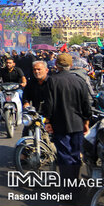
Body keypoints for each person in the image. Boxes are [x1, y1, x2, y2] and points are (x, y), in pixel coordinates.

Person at [44, 53, 91, 198]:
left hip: (60, 125)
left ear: (56, 66)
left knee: (65, 157)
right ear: (70, 65)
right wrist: (86, 122)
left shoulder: (52, 81)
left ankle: (68, 190)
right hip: (77, 124)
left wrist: (48, 121)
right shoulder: (80, 81)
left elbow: (49, 105)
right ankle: (74, 186)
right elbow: (86, 105)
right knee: (75, 156)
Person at [21, 61, 50, 137]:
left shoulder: (52, 82)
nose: (36, 72)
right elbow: (26, 95)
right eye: (34, 69)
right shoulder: (31, 83)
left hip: (50, 115)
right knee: (26, 133)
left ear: (46, 70)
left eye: (39, 69)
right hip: (36, 113)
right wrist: (26, 103)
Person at [0, 56, 26, 121]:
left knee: (21, 95)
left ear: (13, 64)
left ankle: (23, 112)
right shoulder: (2, 70)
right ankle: (1, 114)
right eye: (7, 63)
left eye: (10, 63)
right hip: (5, 89)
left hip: (16, 89)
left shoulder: (18, 70)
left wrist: (24, 82)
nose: (8, 64)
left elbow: (23, 77)